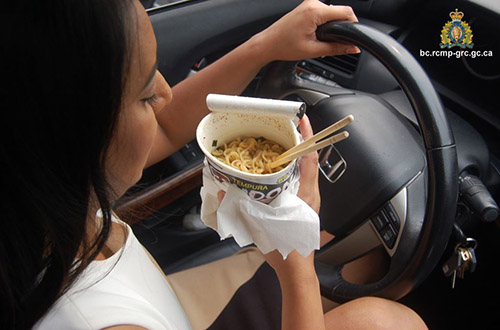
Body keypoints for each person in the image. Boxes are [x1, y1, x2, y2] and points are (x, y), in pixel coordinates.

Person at [0, 0, 427, 329]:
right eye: (146, 95)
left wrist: (268, 45)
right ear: (80, 137)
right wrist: (298, 264)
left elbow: (164, 127)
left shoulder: (46, 192)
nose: (166, 95)